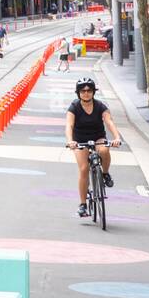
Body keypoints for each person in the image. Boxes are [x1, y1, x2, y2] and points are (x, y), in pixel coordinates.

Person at [65, 76, 124, 218]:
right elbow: (69, 125)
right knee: (84, 169)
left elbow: (109, 122)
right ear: (78, 93)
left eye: (89, 90)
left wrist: (117, 138)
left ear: (93, 92)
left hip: (98, 137)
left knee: (104, 150)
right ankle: (83, 205)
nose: (86, 93)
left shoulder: (100, 106)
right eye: (83, 90)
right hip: (80, 140)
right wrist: (70, 140)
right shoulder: (74, 107)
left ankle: (105, 173)